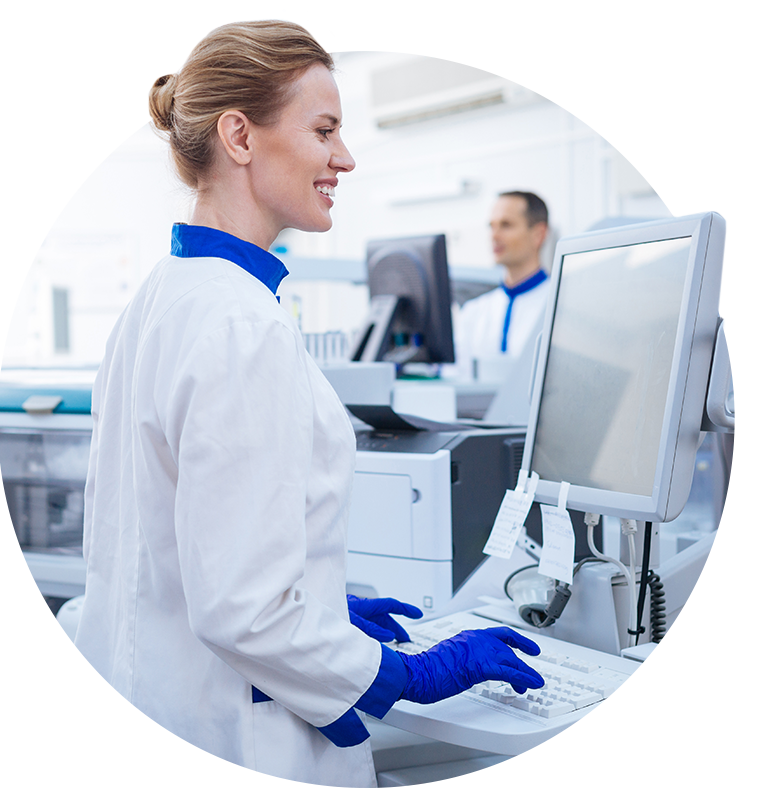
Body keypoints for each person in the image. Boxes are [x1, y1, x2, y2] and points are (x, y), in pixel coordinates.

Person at [73, 21, 544, 787]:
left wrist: (326, 610)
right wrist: (407, 673)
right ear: (240, 136)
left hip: (164, 692)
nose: (345, 158)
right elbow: (245, 612)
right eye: (324, 131)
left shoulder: (165, 295)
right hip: (240, 734)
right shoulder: (239, 325)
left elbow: (173, 545)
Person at [456, 191, 550, 376]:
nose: (494, 236)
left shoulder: (559, 305)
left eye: (506, 225)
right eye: (492, 226)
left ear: (538, 234)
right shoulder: (474, 312)